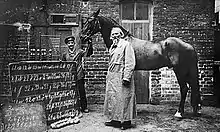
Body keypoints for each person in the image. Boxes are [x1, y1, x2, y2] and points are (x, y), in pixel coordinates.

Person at [103, 27, 136, 130]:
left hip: (122, 76)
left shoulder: (126, 45)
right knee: (113, 99)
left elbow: (130, 62)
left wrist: (126, 77)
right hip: (112, 77)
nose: (115, 36)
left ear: (121, 35)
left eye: (117, 34)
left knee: (125, 99)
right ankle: (115, 120)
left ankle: (126, 122)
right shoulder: (112, 46)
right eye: (113, 34)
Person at [62, 36, 89, 113]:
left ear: (74, 43)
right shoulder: (65, 54)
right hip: (70, 75)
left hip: (79, 74)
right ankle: (72, 106)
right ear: (67, 45)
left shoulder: (79, 52)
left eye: (72, 43)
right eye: (69, 43)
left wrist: (89, 44)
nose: (70, 45)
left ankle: (84, 107)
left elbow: (87, 53)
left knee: (81, 91)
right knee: (71, 91)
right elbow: (63, 64)